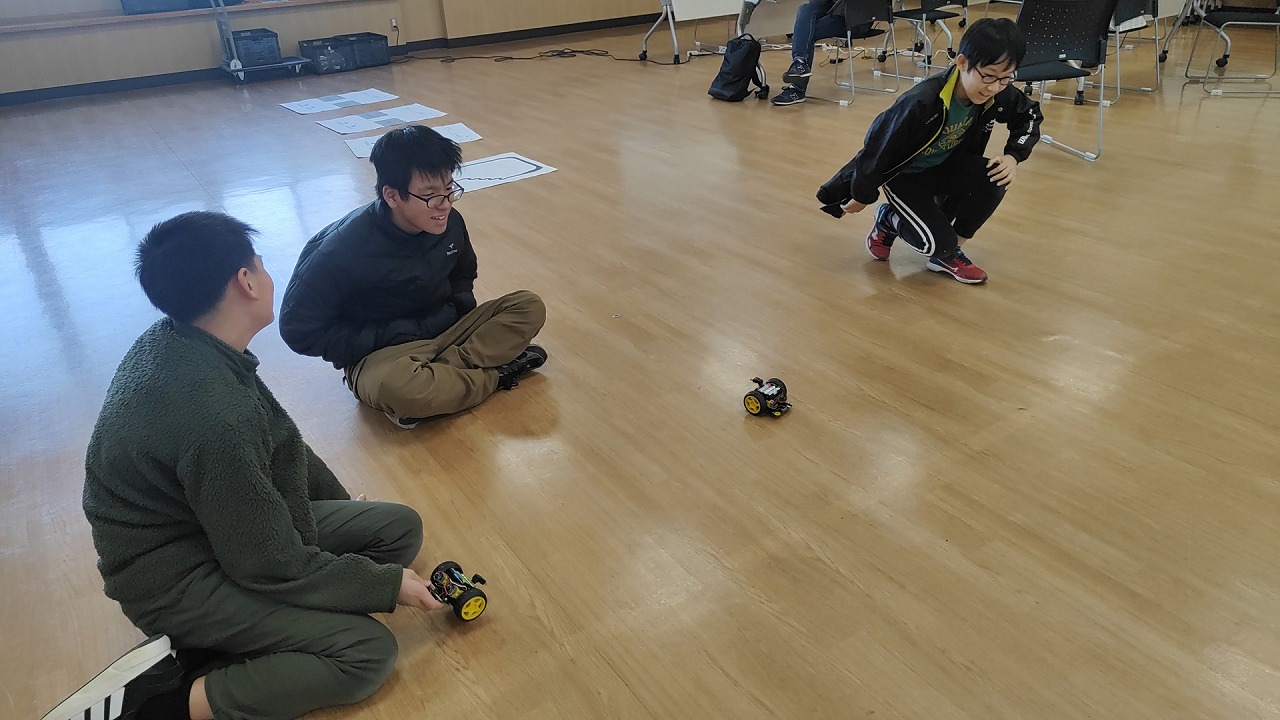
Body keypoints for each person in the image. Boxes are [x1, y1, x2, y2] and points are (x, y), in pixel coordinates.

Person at [46, 211, 444, 720]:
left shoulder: (186, 340)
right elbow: (265, 561)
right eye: (261, 263)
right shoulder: (213, 412)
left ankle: (262, 626)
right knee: (366, 652)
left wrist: (340, 512)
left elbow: (280, 445)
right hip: (175, 580)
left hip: (219, 527)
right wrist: (382, 586)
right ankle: (163, 703)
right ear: (246, 282)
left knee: (397, 528)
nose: (267, 274)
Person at [279, 125, 548, 430]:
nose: (444, 204)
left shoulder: (449, 221)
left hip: (448, 332)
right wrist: (387, 336)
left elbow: (463, 274)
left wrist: (456, 313)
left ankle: (443, 378)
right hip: (384, 354)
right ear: (392, 195)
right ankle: (497, 375)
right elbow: (298, 329)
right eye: (429, 195)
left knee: (528, 306)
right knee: (400, 387)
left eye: (449, 189)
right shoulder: (341, 249)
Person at [816, 17, 1043, 284]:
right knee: (932, 243)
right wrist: (862, 194)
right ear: (962, 63)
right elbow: (877, 148)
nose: (994, 87)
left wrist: (1013, 156)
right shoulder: (921, 102)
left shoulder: (997, 92)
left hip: (945, 167)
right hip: (905, 177)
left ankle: (948, 254)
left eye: (1006, 78)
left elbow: (1029, 115)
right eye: (988, 76)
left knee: (997, 177)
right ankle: (889, 219)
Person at [771, 0, 876, 106]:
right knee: (805, 9)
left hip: (859, 19)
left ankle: (798, 88)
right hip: (838, 10)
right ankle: (799, 63)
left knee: (807, 30)